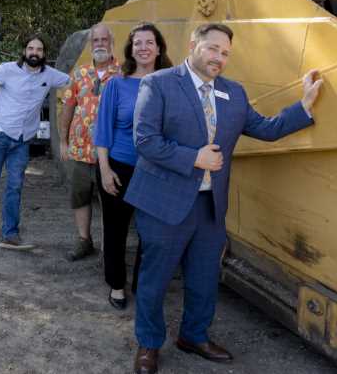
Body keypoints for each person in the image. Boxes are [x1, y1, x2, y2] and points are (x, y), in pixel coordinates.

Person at [126, 22, 323, 373]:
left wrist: (304, 106)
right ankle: (149, 343)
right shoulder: (158, 84)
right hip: (163, 204)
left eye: (226, 53)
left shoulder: (234, 93)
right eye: (214, 49)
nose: (220, 58)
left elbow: (267, 128)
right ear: (193, 45)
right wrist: (193, 157)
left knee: (204, 278)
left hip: (209, 206)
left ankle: (194, 336)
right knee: (154, 280)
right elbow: (144, 139)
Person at [94, 23, 173, 310]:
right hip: (118, 167)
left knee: (151, 233)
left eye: (149, 42)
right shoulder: (117, 83)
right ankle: (116, 284)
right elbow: (102, 130)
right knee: (115, 230)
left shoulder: (170, 85)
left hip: (155, 171)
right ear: (130, 49)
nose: (143, 47)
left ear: (159, 47)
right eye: (137, 43)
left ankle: (143, 283)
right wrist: (104, 169)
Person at [0, 34, 70, 251]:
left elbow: (73, 81)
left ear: (44, 54)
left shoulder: (50, 75)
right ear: (24, 51)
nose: (34, 52)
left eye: (38, 49)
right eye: (30, 48)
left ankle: (10, 233)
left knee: (15, 186)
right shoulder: (8, 69)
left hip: (23, 140)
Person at [59, 23, 120, 261]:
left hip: (111, 153)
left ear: (111, 43)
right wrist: (63, 142)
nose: (100, 44)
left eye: (104, 40)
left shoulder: (122, 73)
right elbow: (67, 108)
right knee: (80, 196)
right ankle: (84, 241)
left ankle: (109, 249)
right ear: (90, 44)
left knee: (111, 202)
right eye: (96, 40)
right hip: (79, 149)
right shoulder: (79, 73)